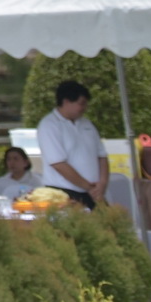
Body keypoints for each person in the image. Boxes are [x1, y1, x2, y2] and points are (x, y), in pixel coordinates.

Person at [36, 80, 108, 209]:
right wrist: (87, 186)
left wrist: (102, 184)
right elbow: (58, 163)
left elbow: (102, 156)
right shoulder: (49, 125)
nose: (84, 108)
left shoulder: (87, 124)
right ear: (66, 102)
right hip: (63, 192)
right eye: (81, 104)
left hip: (93, 192)